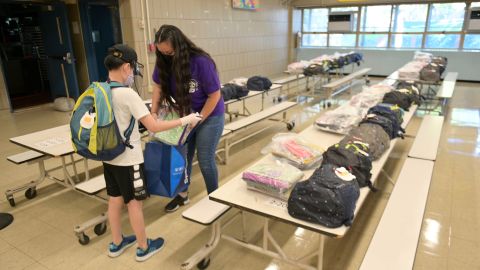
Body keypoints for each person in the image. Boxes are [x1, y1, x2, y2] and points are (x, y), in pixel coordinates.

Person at [102, 44, 202, 262]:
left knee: (114, 200)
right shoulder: (127, 94)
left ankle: (116, 243)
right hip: (130, 160)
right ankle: (143, 247)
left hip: (109, 158)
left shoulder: (100, 90)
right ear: (127, 67)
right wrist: (187, 119)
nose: (132, 76)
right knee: (134, 203)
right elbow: (154, 127)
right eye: (132, 71)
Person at [150, 25, 224, 212]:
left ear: (180, 46)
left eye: (170, 51)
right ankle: (182, 195)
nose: (168, 55)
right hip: (185, 115)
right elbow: (158, 86)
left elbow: (214, 95)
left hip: (210, 115)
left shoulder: (201, 62)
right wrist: (153, 112)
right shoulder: (164, 61)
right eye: (163, 52)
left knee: (205, 159)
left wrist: (198, 118)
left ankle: (214, 198)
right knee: (183, 157)